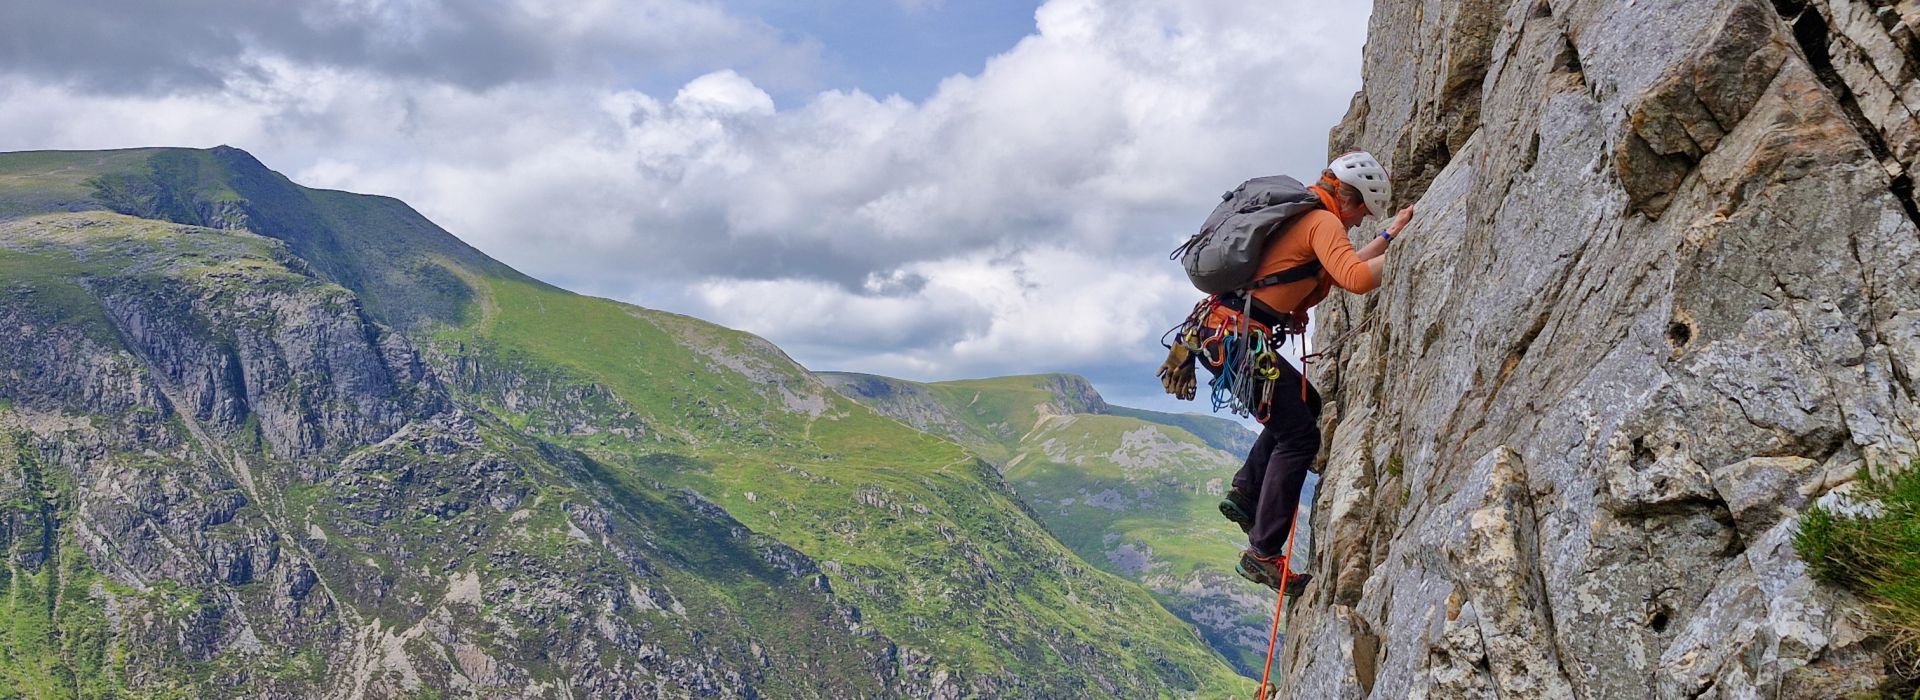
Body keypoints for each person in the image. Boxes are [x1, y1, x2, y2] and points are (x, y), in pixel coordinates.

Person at [1214, 151, 1413, 593]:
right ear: (1349, 196)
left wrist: (1388, 236)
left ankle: (1247, 493)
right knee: (1299, 435)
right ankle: (1262, 553)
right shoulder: (1322, 221)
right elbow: (1356, 278)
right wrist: (1407, 253)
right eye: (1362, 209)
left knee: (1305, 403)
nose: (1360, 220)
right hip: (1242, 339)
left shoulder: (1307, 214)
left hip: (1228, 335)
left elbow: (1342, 264)